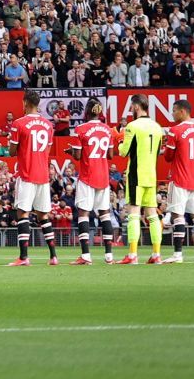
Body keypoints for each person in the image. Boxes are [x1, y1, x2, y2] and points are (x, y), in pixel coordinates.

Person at [8, 91, 59, 266]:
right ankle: (53, 256)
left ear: (25, 103)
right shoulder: (48, 125)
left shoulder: (18, 123)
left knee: (23, 213)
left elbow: (12, 151)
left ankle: (23, 257)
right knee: (43, 216)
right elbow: (47, 150)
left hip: (27, 173)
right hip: (43, 175)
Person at [67, 98, 119, 265]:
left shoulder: (80, 129)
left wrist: (70, 151)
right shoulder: (107, 130)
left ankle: (86, 256)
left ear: (86, 112)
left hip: (88, 176)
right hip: (103, 177)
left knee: (83, 214)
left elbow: (77, 156)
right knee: (104, 214)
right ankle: (109, 256)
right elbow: (110, 155)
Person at [118, 94, 167, 265]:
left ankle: (132, 255)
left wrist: (119, 141)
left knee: (133, 213)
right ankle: (156, 254)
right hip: (151, 175)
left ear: (137, 106)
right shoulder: (157, 126)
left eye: (132, 106)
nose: (131, 110)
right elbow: (159, 150)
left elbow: (123, 152)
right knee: (152, 215)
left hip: (136, 174)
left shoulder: (132, 126)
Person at [163, 98, 194, 264]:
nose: (173, 114)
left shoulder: (174, 130)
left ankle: (177, 255)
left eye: (174, 110)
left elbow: (168, 157)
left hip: (180, 178)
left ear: (182, 111)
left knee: (178, 216)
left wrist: (165, 149)